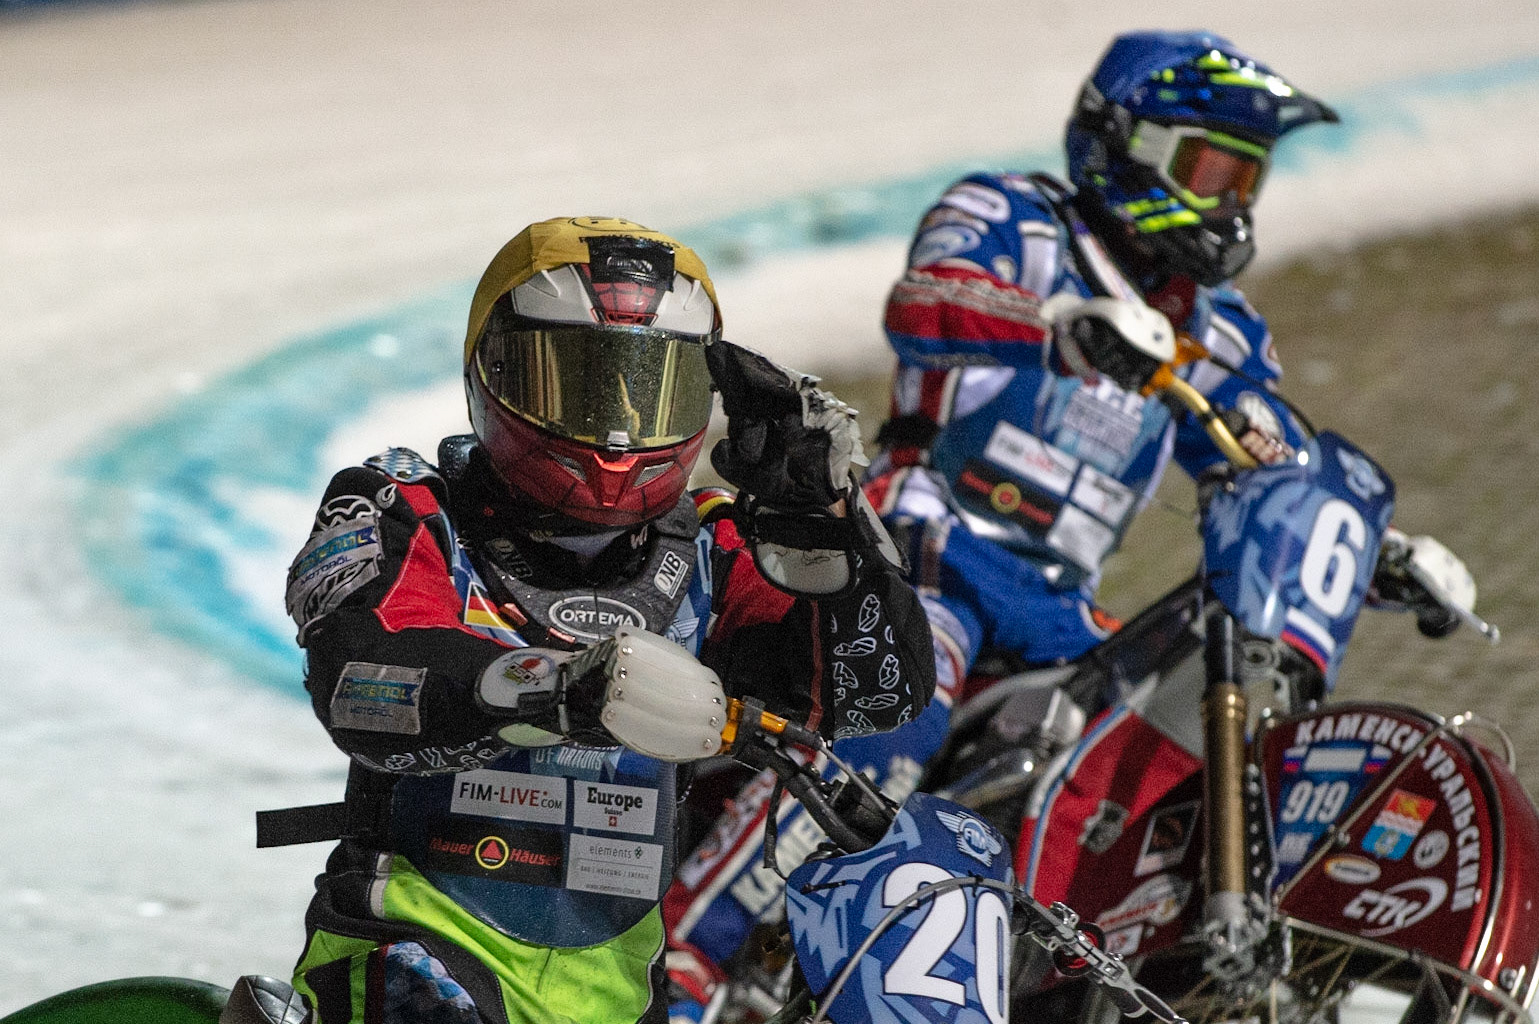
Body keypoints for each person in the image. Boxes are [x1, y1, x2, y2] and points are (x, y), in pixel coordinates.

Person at [663, 29, 1477, 1004]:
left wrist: (1369, 553)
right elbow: (928, 305)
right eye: (1210, 168)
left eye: (1245, 180)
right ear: (1126, 142)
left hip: (1059, 607)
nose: (1229, 203)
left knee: (1142, 746)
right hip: (932, 550)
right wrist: (1056, 328)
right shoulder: (1010, 217)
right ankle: (690, 955)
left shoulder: (1222, 329)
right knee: (897, 716)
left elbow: (1257, 450)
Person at [276, 216, 935, 1024]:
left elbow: (875, 697)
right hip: (407, 960)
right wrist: (551, 688)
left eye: (648, 386)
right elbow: (359, 683)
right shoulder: (400, 504)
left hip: (623, 993)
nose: (615, 429)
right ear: (491, 371)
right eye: (577, 383)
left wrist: (825, 521)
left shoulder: (718, 543)